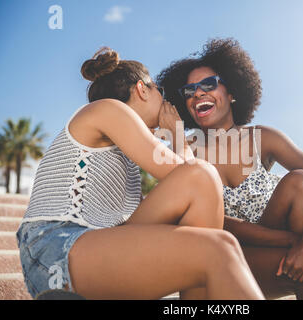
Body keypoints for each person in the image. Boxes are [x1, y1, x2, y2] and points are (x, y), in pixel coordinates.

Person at [16, 47, 265, 300]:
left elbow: (190, 197)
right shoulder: (109, 109)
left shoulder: (125, 156)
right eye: (160, 91)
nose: (164, 100)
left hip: (97, 243)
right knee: (208, 202)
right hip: (55, 248)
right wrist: (177, 134)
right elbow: (191, 175)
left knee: (218, 244)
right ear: (142, 89)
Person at [157, 38, 303, 300]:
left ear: (232, 92)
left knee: (302, 180)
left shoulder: (262, 138)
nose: (198, 93)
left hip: (282, 256)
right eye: (190, 90)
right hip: (225, 261)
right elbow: (215, 223)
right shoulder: (184, 148)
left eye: (209, 84)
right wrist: (294, 243)